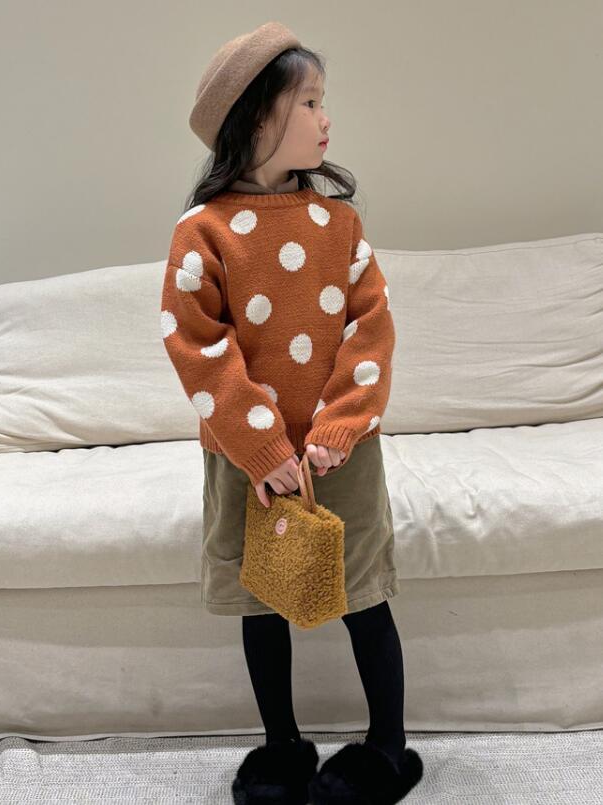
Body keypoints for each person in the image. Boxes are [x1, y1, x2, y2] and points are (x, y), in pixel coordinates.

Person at [160, 21, 423, 805]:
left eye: (321, 101)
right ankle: (281, 746)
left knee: (363, 595)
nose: (325, 118)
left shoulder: (340, 226)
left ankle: (387, 747)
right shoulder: (202, 233)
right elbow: (198, 347)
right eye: (309, 102)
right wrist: (263, 448)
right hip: (249, 462)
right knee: (261, 599)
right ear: (256, 116)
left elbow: (370, 332)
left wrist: (339, 429)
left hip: (343, 455)